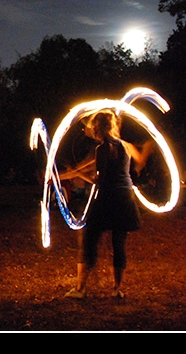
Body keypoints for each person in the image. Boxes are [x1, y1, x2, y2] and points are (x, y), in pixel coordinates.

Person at [64, 109, 144, 300]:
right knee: (119, 242)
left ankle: (80, 289)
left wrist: (77, 174)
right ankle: (117, 289)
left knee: (89, 240)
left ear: (98, 128)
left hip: (108, 198)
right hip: (125, 198)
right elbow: (138, 162)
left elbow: (99, 180)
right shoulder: (126, 146)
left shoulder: (102, 149)